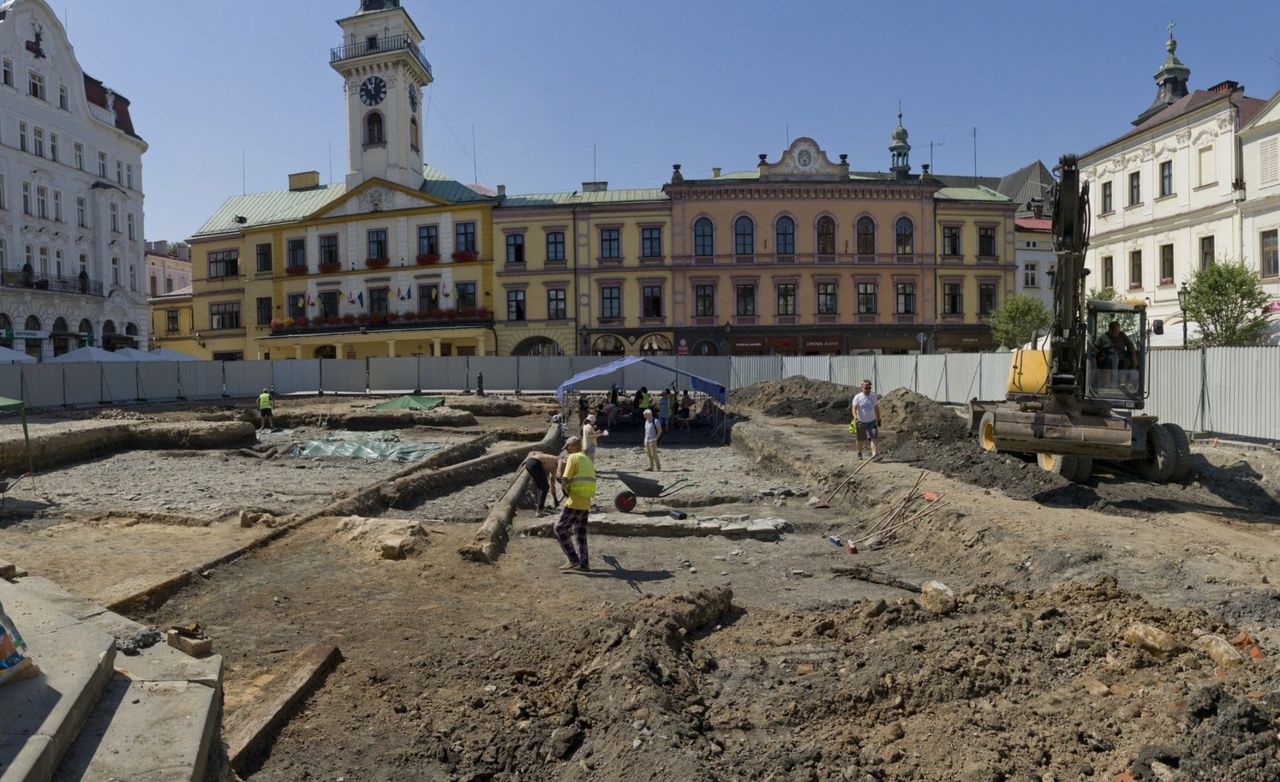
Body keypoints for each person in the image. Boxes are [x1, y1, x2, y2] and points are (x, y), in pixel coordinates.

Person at [554, 436, 596, 572]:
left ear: (574, 445)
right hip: (586, 502)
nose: (566, 450)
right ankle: (584, 564)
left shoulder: (573, 457)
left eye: (567, 447)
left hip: (575, 500)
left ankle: (573, 559)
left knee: (559, 528)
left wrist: (566, 492)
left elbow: (565, 480)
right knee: (579, 533)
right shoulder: (588, 459)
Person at [850, 379, 881, 460]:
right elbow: (854, 408)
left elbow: (876, 408)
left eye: (869, 388)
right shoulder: (858, 397)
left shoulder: (873, 396)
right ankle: (859, 453)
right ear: (862, 387)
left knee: (873, 437)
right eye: (866, 388)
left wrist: (879, 419)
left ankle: (874, 455)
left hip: (872, 421)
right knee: (860, 438)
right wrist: (855, 417)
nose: (868, 390)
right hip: (861, 421)